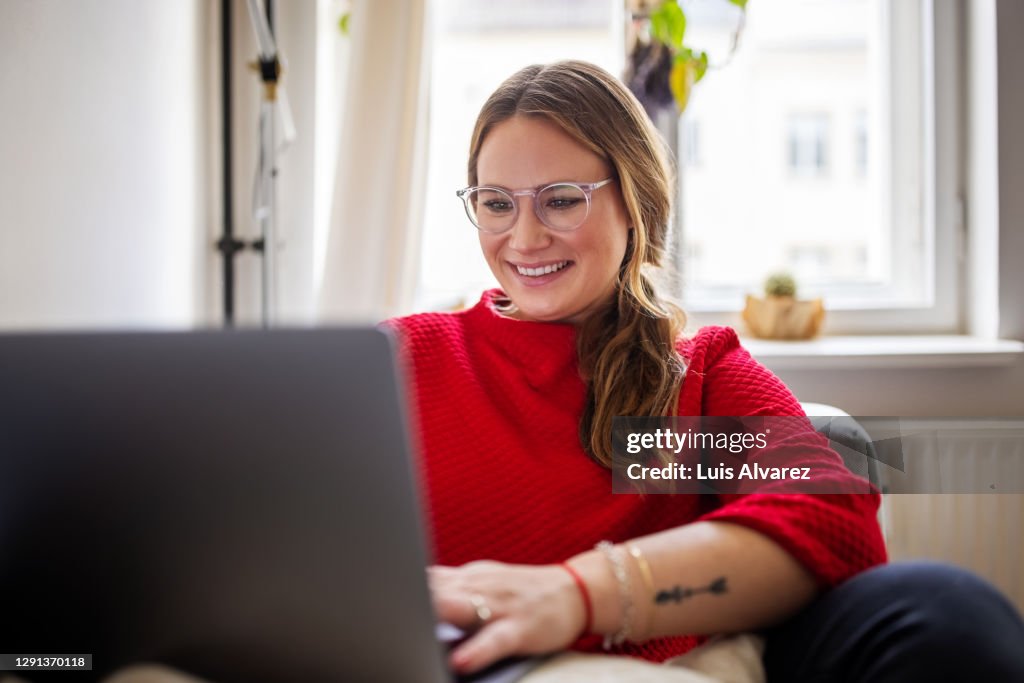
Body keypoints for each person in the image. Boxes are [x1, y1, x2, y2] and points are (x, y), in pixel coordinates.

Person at [387, 60, 1024, 681]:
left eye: (560, 200)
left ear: (634, 206)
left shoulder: (692, 379)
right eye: (496, 203)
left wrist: (576, 594)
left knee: (947, 607)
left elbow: (829, 517)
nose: (524, 239)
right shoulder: (402, 363)